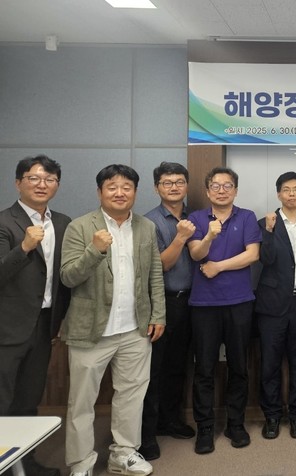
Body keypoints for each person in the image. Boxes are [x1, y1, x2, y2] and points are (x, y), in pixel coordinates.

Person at [60, 164, 165, 476]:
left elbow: (155, 274)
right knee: (81, 402)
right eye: (112, 187)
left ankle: (124, 454)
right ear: (99, 192)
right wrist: (94, 250)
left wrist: (158, 314)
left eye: (126, 187)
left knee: (132, 396)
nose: (120, 192)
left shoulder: (146, 227)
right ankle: (81, 462)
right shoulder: (80, 227)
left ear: (135, 192)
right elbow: (68, 277)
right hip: (90, 331)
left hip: (135, 329)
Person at [0, 155, 70, 476]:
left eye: (49, 179)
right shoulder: (4, 222)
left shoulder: (63, 223)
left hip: (44, 325)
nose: (42, 185)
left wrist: (62, 319)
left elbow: (64, 279)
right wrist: (25, 247)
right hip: (7, 327)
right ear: (19, 183)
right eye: (34, 178)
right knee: (2, 399)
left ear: (57, 185)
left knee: (29, 399)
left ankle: (25, 464)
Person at [187, 167, 261, 454]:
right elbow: (196, 253)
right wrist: (209, 236)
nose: (221, 190)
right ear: (207, 191)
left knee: (239, 366)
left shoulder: (247, 217)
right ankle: (205, 428)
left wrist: (218, 266)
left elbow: (252, 255)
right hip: (204, 304)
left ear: (235, 190)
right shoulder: (196, 218)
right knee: (204, 368)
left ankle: (235, 424)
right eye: (215, 186)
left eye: (227, 185)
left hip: (239, 302)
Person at [255, 172, 296, 440]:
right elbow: (266, 259)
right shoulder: (265, 223)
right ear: (278, 194)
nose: (291, 193)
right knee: (269, 364)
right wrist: (269, 232)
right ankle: (271, 416)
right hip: (272, 304)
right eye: (286, 189)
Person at [139, 162, 197, 460]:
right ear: (156, 188)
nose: (174, 187)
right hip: (162, 302)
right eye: (167, 182)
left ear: (186, 185)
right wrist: (181, 237)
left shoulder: (196, 217)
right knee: (154, 370)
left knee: (178, 366)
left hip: (192, 302)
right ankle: (146, 434)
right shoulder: (149, 222)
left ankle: (170, 420)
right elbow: (161, 264)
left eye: (179, 182)